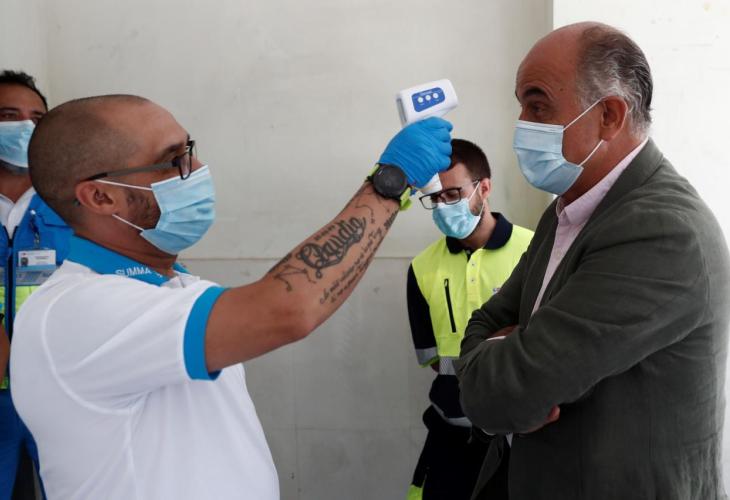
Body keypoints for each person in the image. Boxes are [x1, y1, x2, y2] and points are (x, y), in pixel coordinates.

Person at [9, 94, 452, 499]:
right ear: (100, 196)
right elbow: (288, 308)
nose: (198, 169)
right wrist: (390, 183)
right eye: (173, 161)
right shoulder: (72, 310)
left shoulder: (177, 286)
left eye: (190, 149)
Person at [454, 22, 730, 500]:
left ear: (608, 115)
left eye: (537, 105)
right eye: (521, 105)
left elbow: (505, 392)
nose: (521, 123)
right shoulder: (566, 211)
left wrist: (505, 364)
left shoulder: (661, 232)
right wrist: (499, 354)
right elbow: (484, 323)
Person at [406, 139, 532, 500]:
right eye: (435, 198)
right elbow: (434, 359)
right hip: (452, 436)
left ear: (484, 188)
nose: (443, 206)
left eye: (453, 194)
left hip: (523, 436)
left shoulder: (535, 249)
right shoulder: (422, 268)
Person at [0, 70, 70, 500]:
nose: (25, 127)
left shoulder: (75, 203)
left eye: (37, 119)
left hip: (60, 388)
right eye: (9, 116)